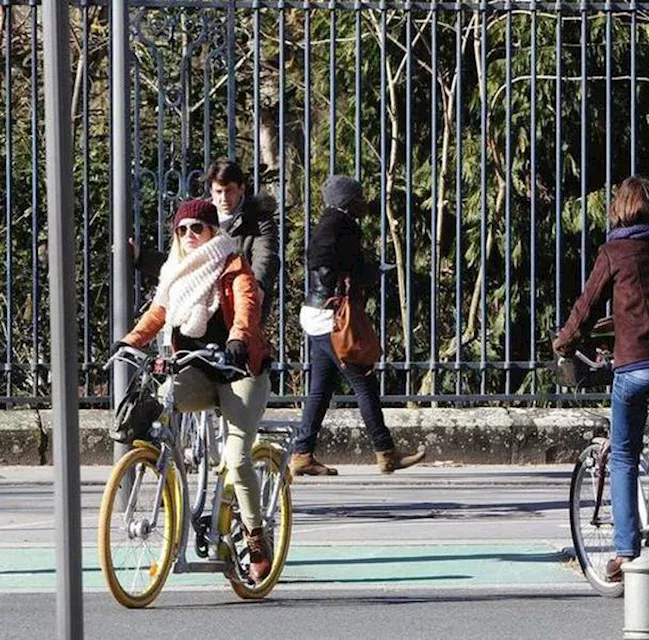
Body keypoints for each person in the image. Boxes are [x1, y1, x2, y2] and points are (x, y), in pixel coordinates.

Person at [114, 199, 274, 583]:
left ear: (213, 231)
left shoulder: (233, 265)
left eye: (197, 228)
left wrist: (238, 338)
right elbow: (159, 312)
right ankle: (165, 463)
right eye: (182, 230)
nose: (189, 236)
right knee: (160, 397)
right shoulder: (175, 271)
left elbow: (247, 308)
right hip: (198, 372)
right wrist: (130, 342)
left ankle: (255, 537)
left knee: (236, 458)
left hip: (241, 371)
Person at [552, 175, 649, 582]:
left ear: (620, 210)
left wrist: (564, 343)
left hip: (634, 365)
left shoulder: (615, 252)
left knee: (625, 455)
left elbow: (586, 307)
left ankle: (626, 550)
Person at [292, 175, 425, 476]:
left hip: (315, 313)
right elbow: (348, 268)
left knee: (320, 389)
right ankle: (386, 453)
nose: (364, 202)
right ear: (348, 201)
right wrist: (375, 271)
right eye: (359, 197)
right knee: (363, 382)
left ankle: (302, 454)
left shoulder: (326, 225)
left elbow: (326, 264)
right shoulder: (343, 226)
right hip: (333, 318)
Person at [135, 157, 280, 304]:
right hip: (200, 302)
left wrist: (255, 288)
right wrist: (140, 257)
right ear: (211, 190)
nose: (223, 198)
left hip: (239, 300)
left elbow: (265, 258)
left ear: (241, 188)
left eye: (229, 191)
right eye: (218, 191)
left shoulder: (259, 221)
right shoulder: (198, 220)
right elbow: (179, 262)